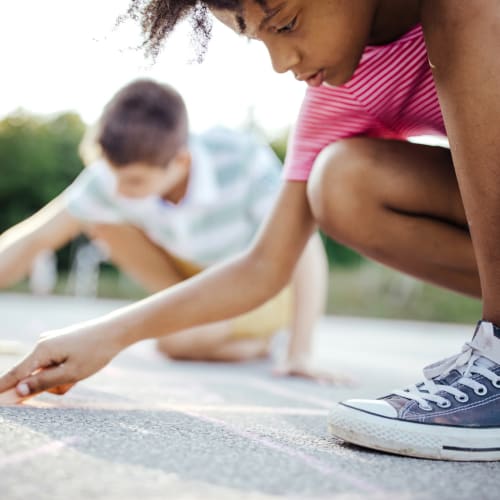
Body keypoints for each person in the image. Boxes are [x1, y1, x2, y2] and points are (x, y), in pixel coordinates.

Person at [1, 0, 499, 460]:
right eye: (259, 39)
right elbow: (264, 265)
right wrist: (107, 335)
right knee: (341, 184)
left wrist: (299, 349)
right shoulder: (335, 95)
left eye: (285, 23)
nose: (280, 62)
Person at [0, 78, 330, 379]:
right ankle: (211, 331)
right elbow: (35, 237)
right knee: (97, 218)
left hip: (254, 280)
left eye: (134, 181)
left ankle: (258, 341)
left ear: (181, 161)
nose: (116, 190)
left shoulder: (242, 159)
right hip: (191, 276)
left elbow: (305, 247)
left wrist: (300, 352)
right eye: (112, 176)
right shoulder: (115, 175)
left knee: (176, 341)